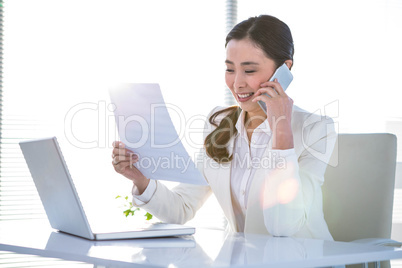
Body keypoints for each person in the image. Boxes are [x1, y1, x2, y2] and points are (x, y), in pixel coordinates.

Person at [111, 15, 336, 240]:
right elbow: (181, 209)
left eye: (249, 71)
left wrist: (281, 128)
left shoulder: (316, 130)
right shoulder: (218, 124)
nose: (237, 83)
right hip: (244, 260)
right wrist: (141, 180)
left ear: (284, 69)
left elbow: (283, 226)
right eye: (230, 70)